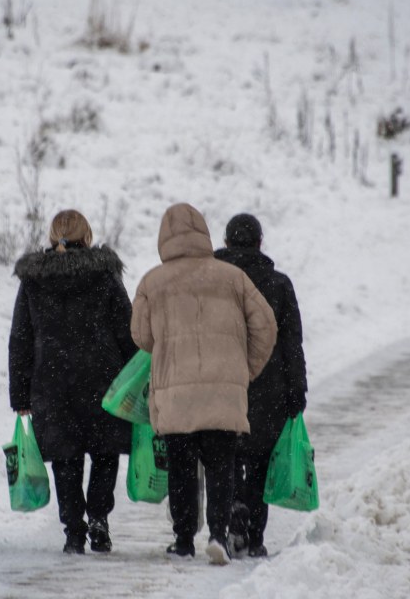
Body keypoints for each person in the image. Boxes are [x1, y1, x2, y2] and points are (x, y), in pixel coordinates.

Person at [130, 203, 277, 565]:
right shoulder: (232, 277)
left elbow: (141, 336)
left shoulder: (152, 282)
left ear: (164, 238)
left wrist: (169, 344)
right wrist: (244, 371)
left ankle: (182, 540)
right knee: (221, 466)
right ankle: (218, 535)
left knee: (180, 467)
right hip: (222, 392)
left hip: (177, 393)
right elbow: (266, 326)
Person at [8, 209, 138, 555]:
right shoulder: (105, 275)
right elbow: (127, 332)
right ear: (88, 236)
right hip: (102, 381)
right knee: (104, 451)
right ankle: (98, 516)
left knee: (66, 458)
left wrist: (20, 394)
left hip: (52, 383)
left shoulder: (34, 280)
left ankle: (73, 530)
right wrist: (138, 379)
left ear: (53, 239)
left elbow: (20, 339)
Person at [215, 213, 308, 558]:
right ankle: (254, 536)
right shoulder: (278, 284)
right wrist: (297, 388)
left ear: (226, 242)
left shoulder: (214, 282)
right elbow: (291, 343)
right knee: (258, 462)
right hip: (267, 387)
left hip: (222, 382)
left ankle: (231, 517)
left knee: (225, 457)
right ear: (259, 242)